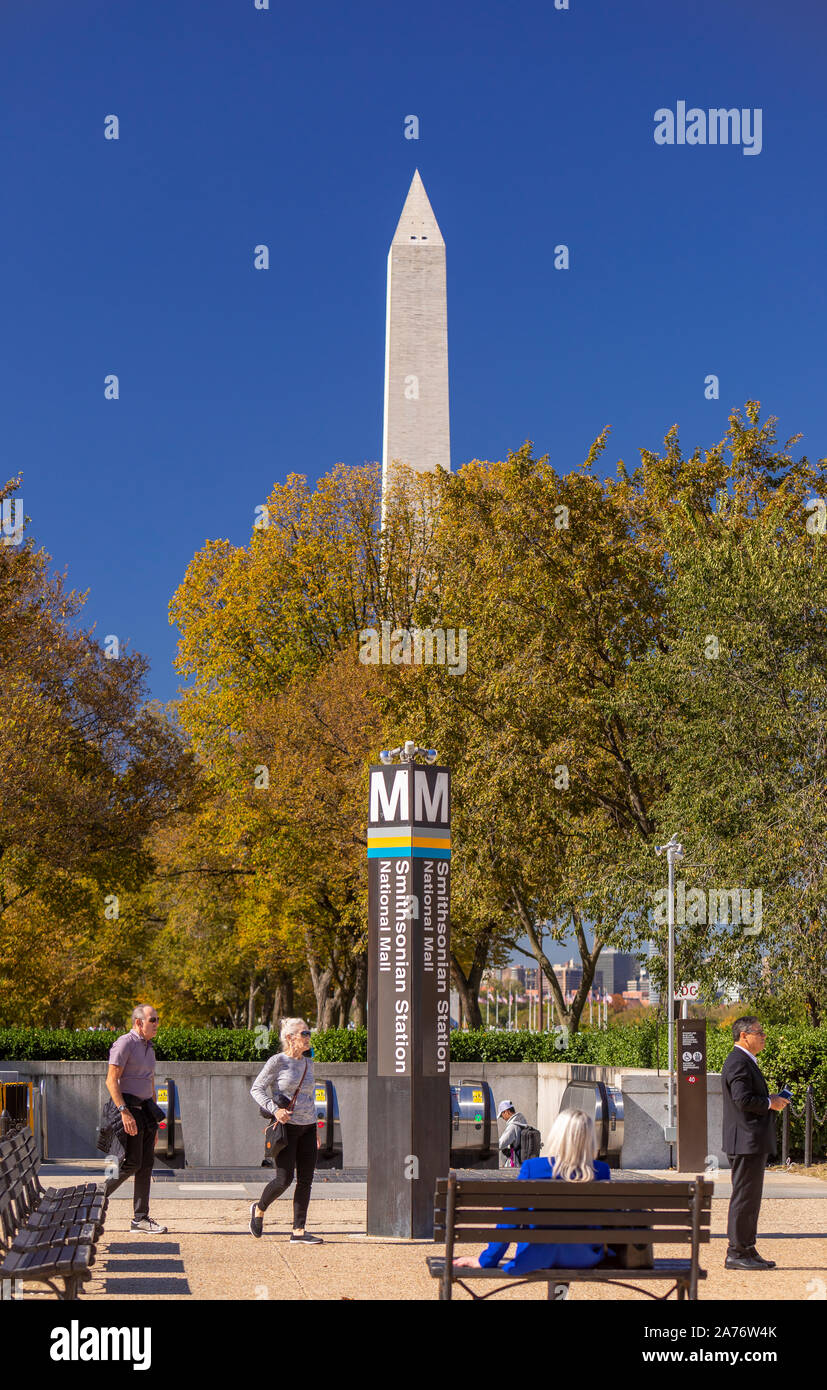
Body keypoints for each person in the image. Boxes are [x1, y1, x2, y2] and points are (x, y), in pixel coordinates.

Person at [454, 1109, 610, 1277]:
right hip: (583, 1258)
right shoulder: (600, 1171)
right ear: (590, 1139)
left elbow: (510, 1219)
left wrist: (487, 1260)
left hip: (536, 1257)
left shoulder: (533, 1168)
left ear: (557, 1135)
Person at [721, 1015, 789, 1271]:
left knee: (750, 1198)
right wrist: (770, 1103)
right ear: (743, 1035)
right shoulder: (738, 1061)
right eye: (758, 1032)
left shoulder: (744, 1061)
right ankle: (736, 1251)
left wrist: (770, 1099)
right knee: (744, 1198)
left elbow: (748, 1098)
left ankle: (747, 1247)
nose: (763, 1036)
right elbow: (742, 1100)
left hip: (750, 1141)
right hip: (745, 1141)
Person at [248, 1018, 322, 1244]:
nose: (308, 1037)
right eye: (304, 1034)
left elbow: (310, 1097)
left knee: (306, 1180)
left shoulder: (309, 1064)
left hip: (308, 1128)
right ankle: (259, 1209)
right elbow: (256, 1089)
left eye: (309, 1033)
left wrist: (317, 1127)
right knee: (283, 1179)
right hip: (286, 1129)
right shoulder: (278, 1061)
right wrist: (275, 1110)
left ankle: (298, 1231)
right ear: (290, 1038)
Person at [102, 1004, 168, 1234]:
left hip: (144, 1110)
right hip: (126, 1107)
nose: (157, 1023)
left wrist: (155, 1122)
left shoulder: (149, 1048)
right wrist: (123, 1111)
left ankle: (140, 1218)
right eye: (153, 1020)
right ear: (139, 1022)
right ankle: (94, 1198)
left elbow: (150, 1083)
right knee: (131, 1162)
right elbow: (111, 1080)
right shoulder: (125, 1043)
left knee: (146, 1164)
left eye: (157, 1019)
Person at [497, 1099, 528, 1166]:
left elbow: (500, 1144)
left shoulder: (512, 1126)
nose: (503, 1118)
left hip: (514, 1163)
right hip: (522, 1162)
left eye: (502, 1115)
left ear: (507, 1112)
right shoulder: (522, 1122)